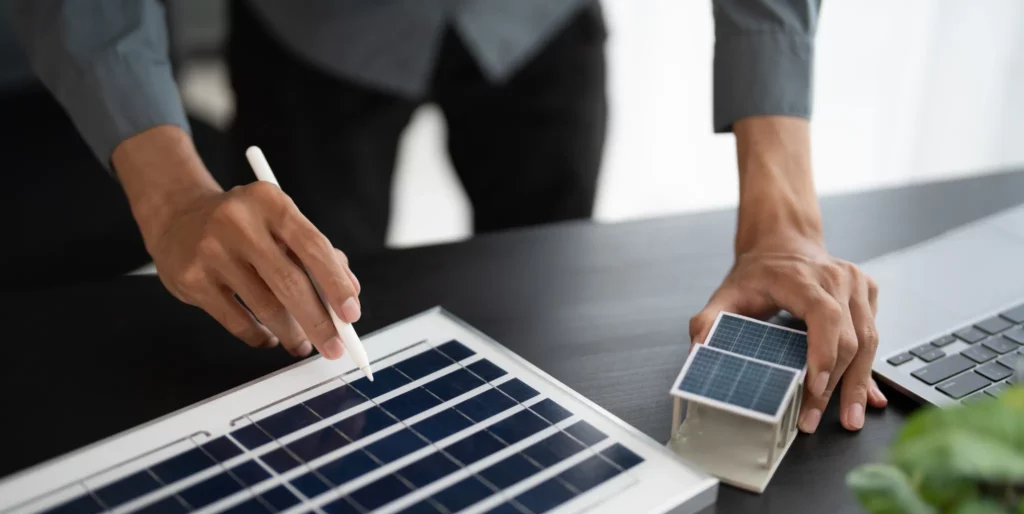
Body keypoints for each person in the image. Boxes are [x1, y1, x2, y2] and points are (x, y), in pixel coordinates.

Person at [10, 0, 887, 433]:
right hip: (318, 33)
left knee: (552, 325)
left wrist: (783, 221)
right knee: (293, 324)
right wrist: (171, 194)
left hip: (536, 24)